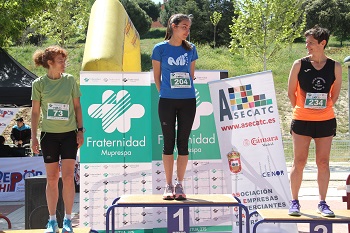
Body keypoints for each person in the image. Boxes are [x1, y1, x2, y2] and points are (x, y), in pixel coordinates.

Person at [287, 26, 342, 217]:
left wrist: (321, 109)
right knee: (299, 162)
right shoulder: (299, 64)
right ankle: (294, 202)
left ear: (322, 43)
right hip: (302, 120)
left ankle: (323, 203)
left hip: (325, 120)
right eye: (306, 42)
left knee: (323, 162)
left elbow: (334, 95)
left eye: (310, 42)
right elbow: (290, 93)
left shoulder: (335, 66)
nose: (307, 46)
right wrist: (303, 109)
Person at [31, 45, 84, 233]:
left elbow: (77, 107)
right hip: (48, 136)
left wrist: (80, 130)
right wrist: (33, 137)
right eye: (60, 61)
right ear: (50, 63)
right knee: (52, 178)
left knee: (69, 178)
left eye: (64, 60)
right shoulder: (38, 84)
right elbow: (36, 112)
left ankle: (68, 219)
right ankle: (52, 220)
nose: (64, 64)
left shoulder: (70, 81)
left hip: (69, 134)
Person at [151, 13, 198, 200]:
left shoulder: (191, 49)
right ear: (173, 26)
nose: (187, 30)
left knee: (183, 143)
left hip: (188, 100)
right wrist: (166, 92)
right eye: (184, 26)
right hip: (167, 101)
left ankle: (180, 184)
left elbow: (191, 75)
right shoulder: (159, 49)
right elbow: (157, 77)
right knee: (168, 143)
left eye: (188, 27)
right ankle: (168, 185)